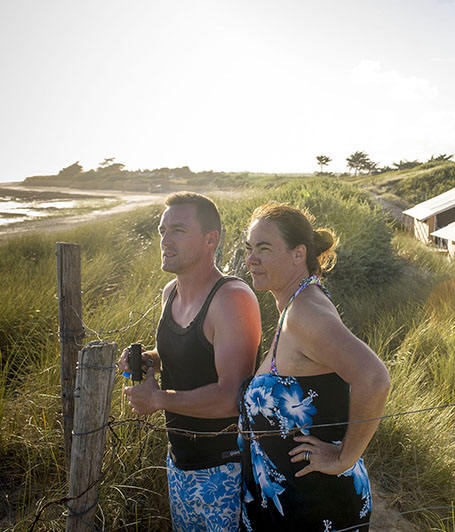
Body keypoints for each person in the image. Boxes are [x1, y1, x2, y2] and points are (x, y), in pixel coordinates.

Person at [238, 202, 390, 532]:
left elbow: (374, 377)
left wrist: (344, 458)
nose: (251, 259)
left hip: (316, 507)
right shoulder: (295, 305)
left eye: (264, 249)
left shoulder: (305, 312)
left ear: (298, 254)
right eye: (249, 248)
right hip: (292, 503)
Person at [119, 192, 262, 532]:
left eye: (178, 230)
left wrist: (158, 400)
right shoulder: (170, 292)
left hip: (225, 468)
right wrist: (147, 362)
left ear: (210, 239)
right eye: (162, 230)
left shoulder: (232, 298)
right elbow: (175, 357)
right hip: (179, 462)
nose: (165, 240)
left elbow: (232, 397)